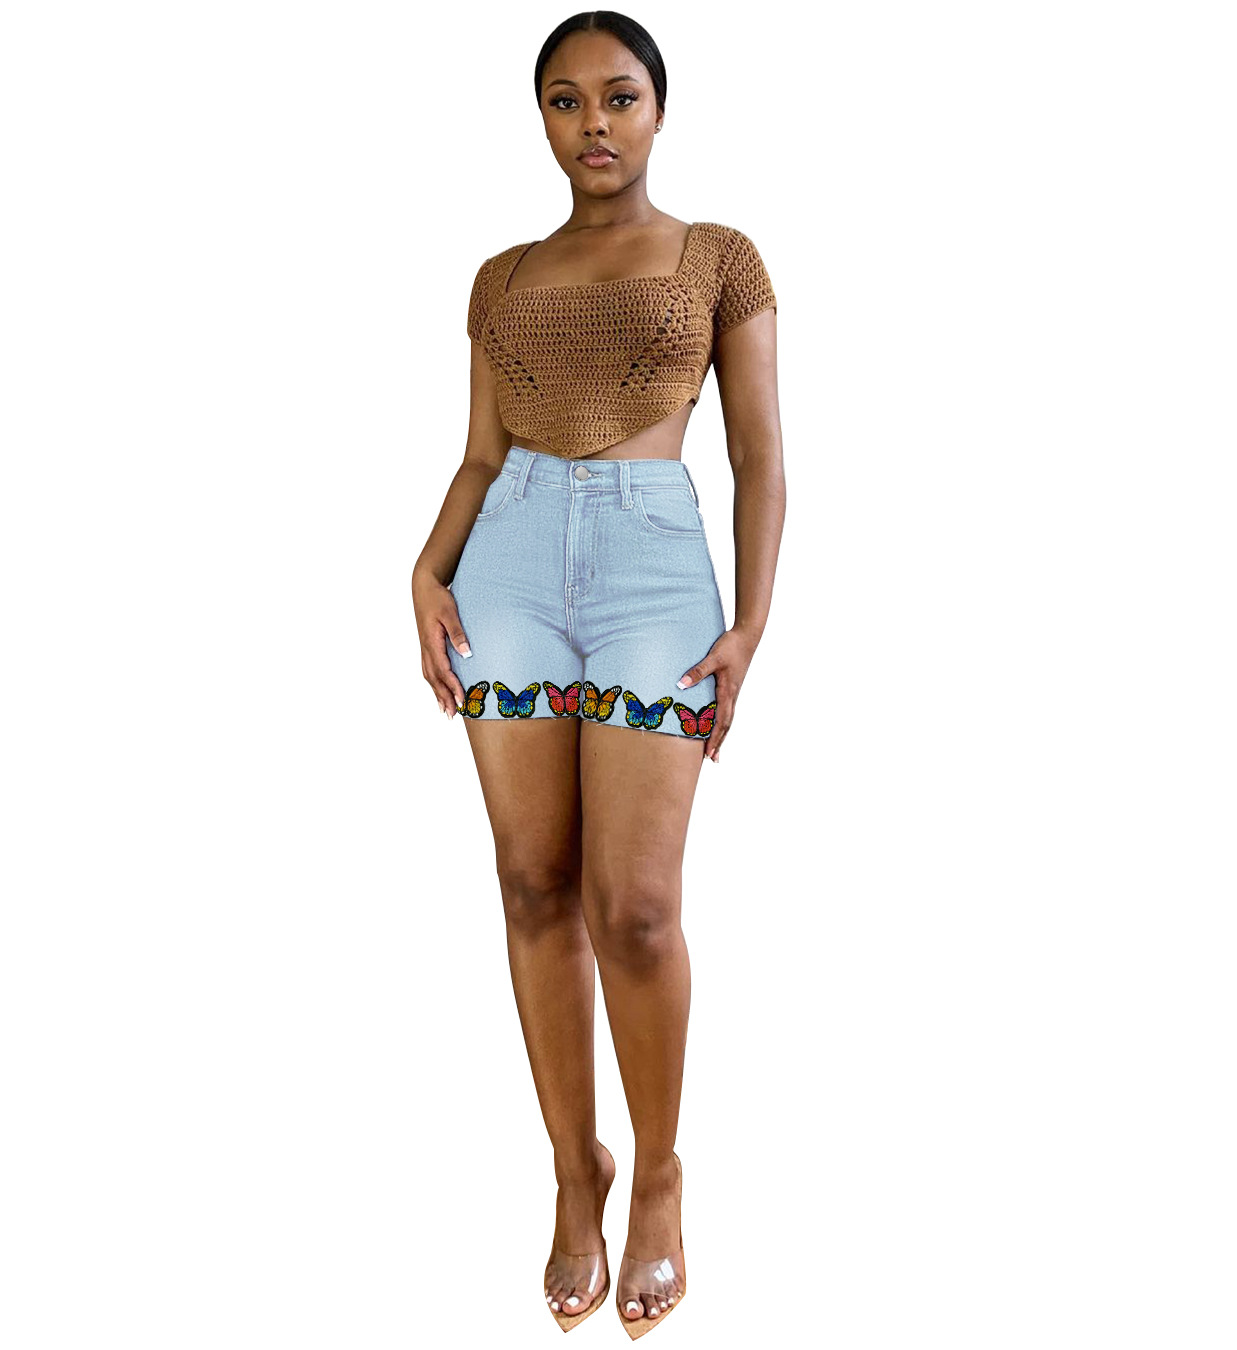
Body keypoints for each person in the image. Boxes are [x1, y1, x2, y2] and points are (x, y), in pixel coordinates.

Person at [410, 11, 784, 1336]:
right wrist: (426, 568)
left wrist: (751, 624)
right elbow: (479, 453)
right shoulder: (501, 278)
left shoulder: (719, 258)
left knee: (634, 904)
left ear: (658, 109)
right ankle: (578, 1169)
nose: (594, 124)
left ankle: (661, 1174)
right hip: (506, 563)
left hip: (651, 570)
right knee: (531, 883)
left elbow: (757, 456)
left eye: (619, 96)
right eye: (565, 102)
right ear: (543, 121)